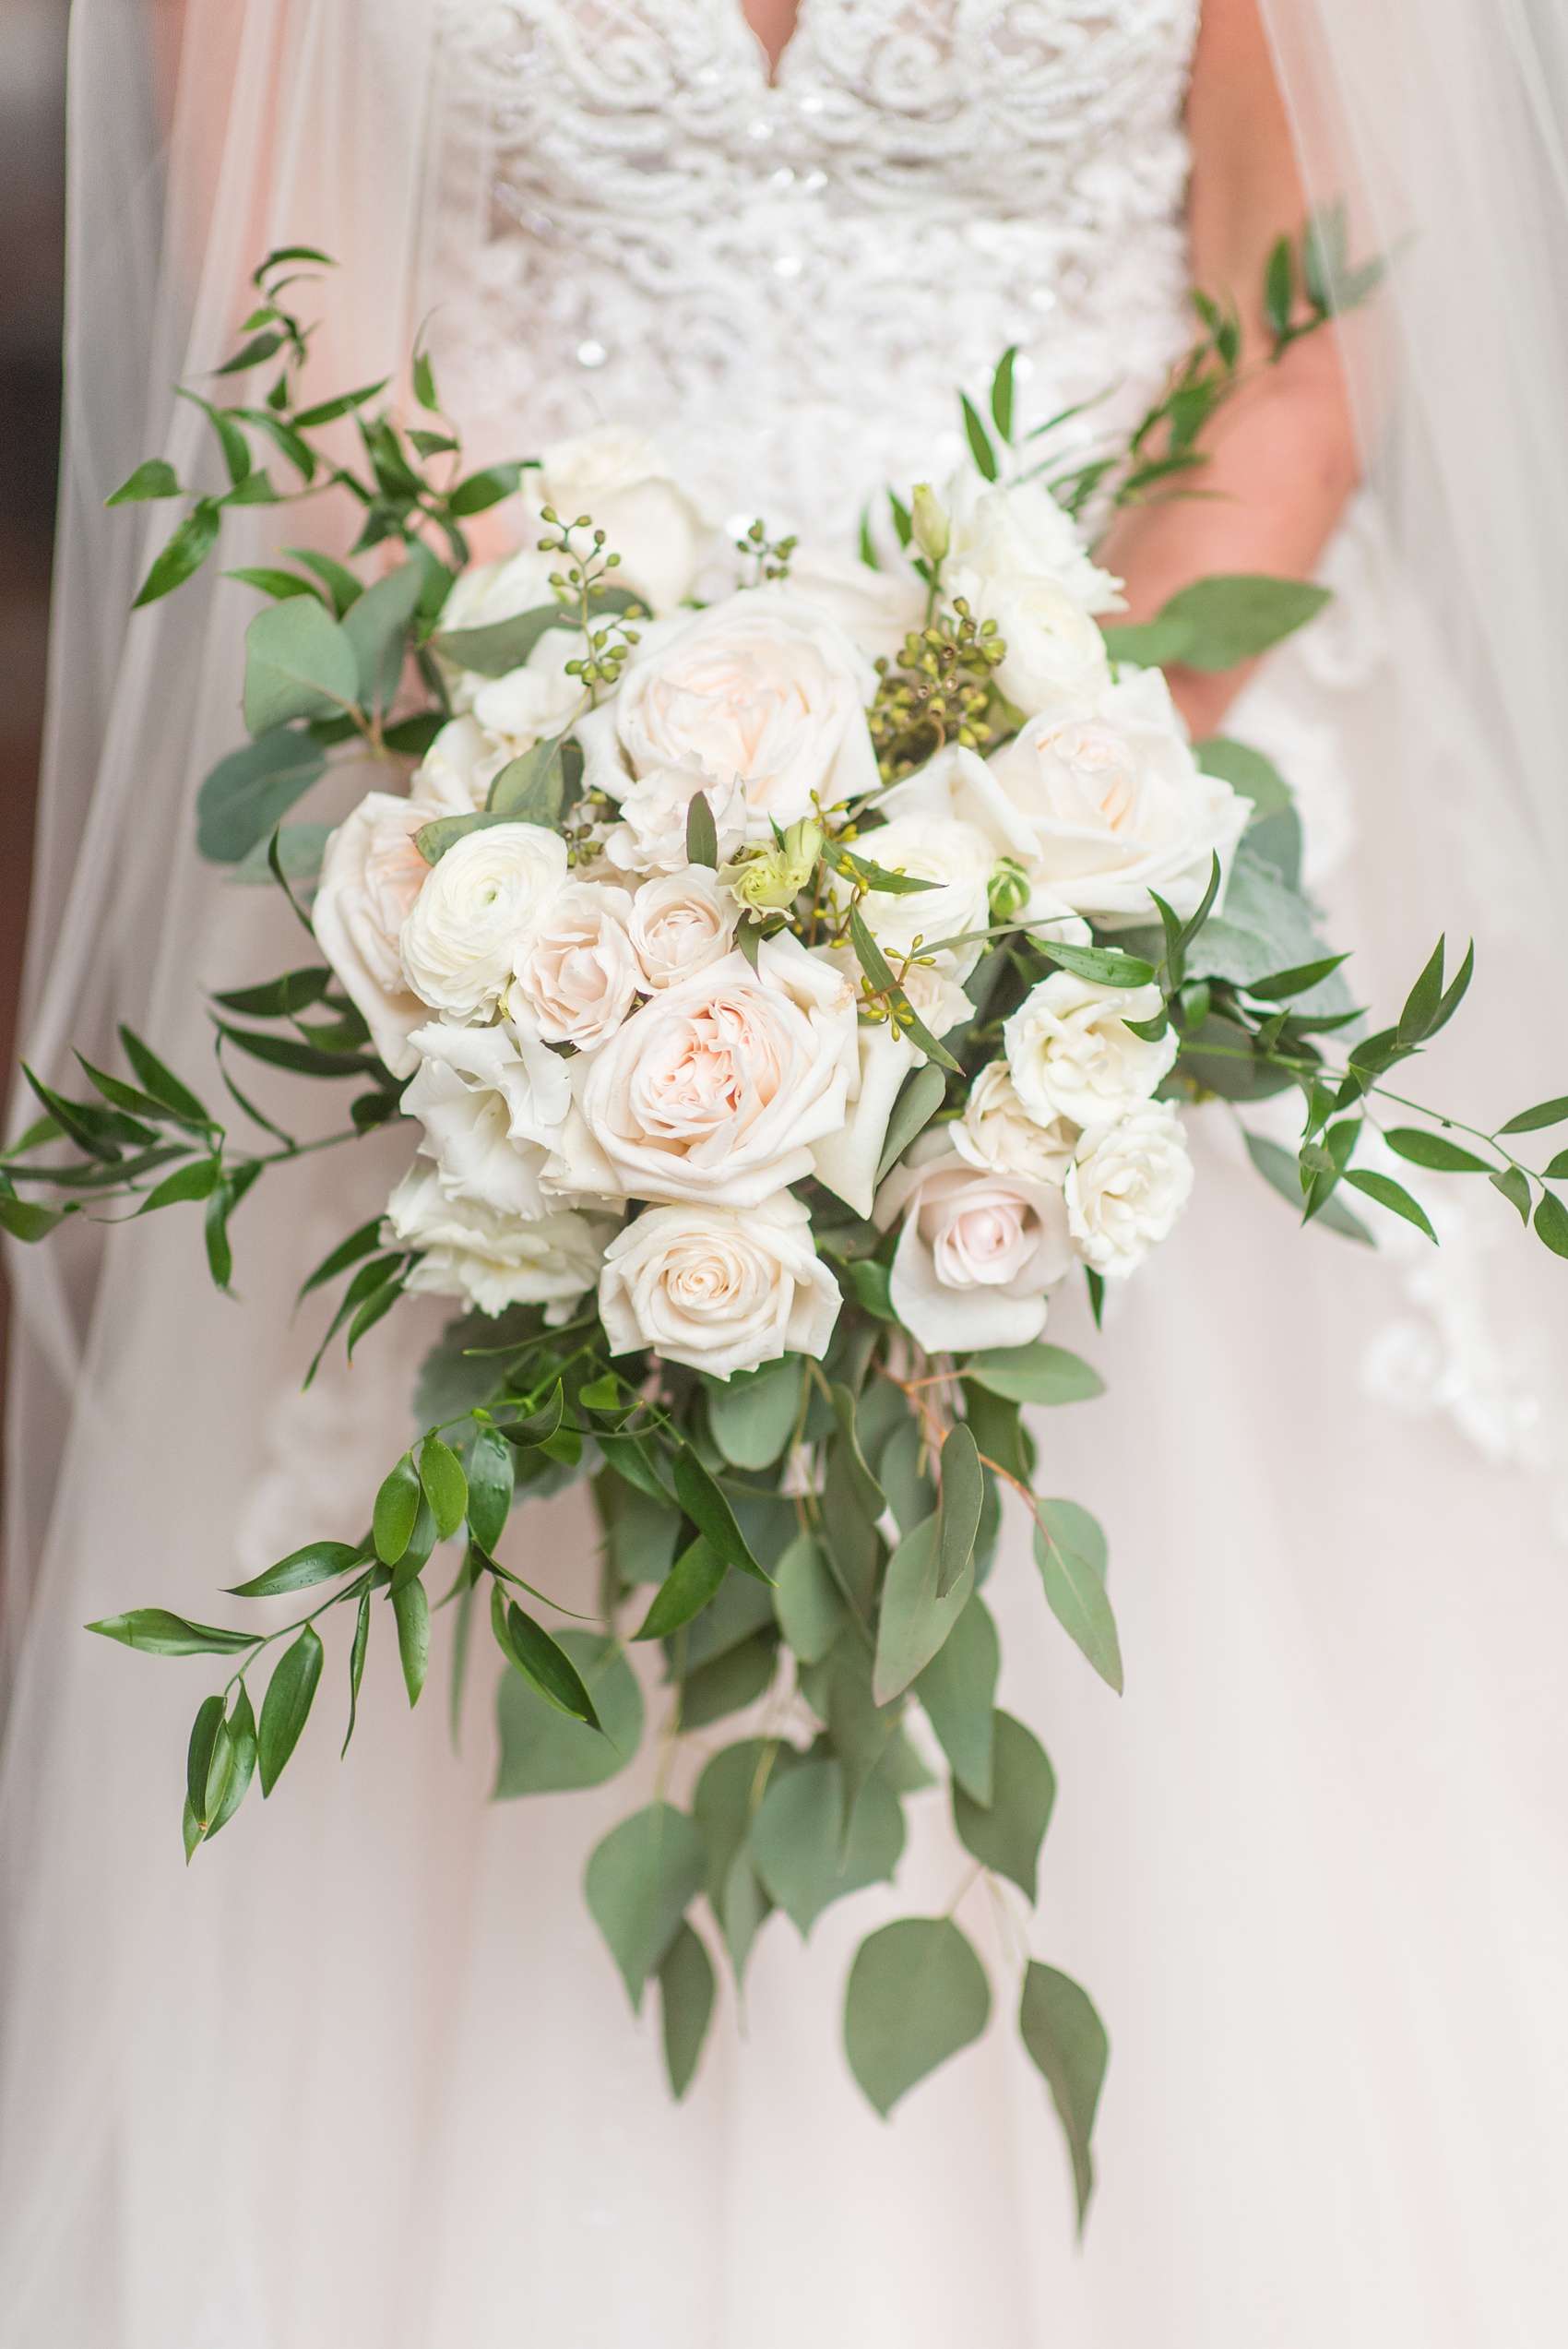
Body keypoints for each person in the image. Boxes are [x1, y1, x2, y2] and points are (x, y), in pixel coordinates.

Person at [3, 2, 1567, 2341]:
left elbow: (1299, 318)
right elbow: (295, 340)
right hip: (511, 829)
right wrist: (590, 888)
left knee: (1224, 1803)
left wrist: (1017, 880)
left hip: (1152, 762)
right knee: (511, 1761)